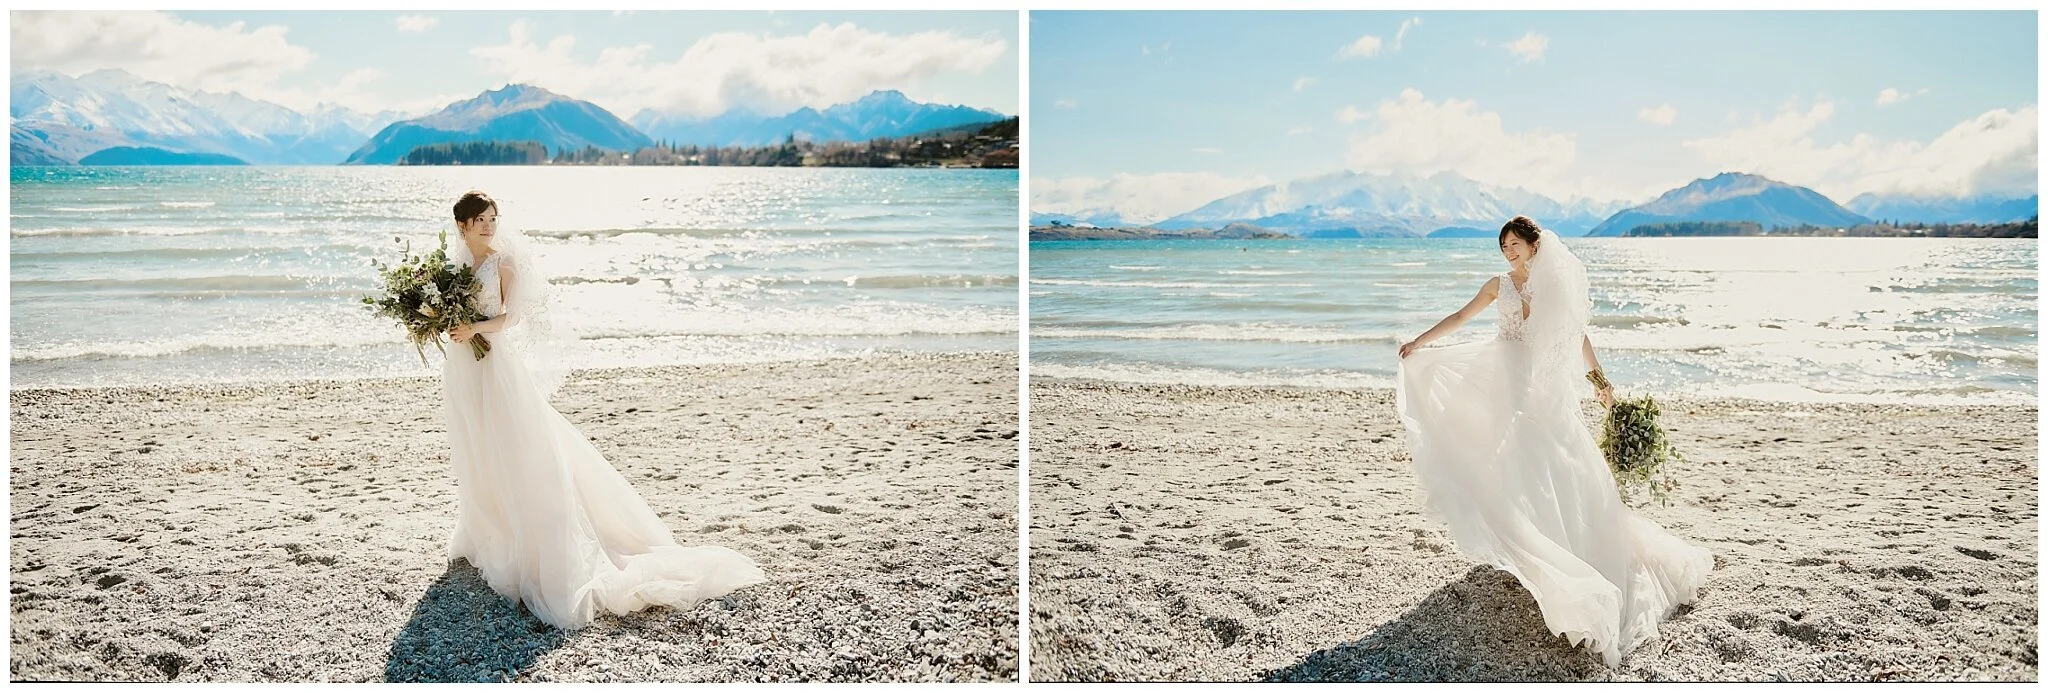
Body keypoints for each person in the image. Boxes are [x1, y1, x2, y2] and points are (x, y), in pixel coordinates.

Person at [1394, 215, 1712, 667]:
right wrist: (1420, 343)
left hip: (1539, 386)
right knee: (1508, 463)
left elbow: (1577, 334)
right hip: (1500, 379)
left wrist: (1600, 381)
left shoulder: (1553, 287)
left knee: (1558, 463)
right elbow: (1462, 316)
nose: (1508, 251)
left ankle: (1567, 549)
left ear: (1533, 244)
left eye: (1514, 243)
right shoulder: (1497, 284)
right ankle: (1529, 546)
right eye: (1503, 244)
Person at [440, 190, 765, 629]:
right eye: (480, 219)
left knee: (511, 442)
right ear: (462, 226)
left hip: (495, 363)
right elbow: (446, 308)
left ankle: (532, 535)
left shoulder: (505, 263)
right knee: (475, 442)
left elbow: (509, 318)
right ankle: (486, 526)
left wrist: (473, 327)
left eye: (493, 218)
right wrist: (441, 322)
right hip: (463, 366)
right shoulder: (455, 267)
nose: (488, 225)